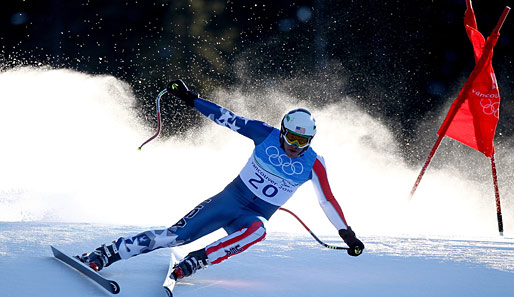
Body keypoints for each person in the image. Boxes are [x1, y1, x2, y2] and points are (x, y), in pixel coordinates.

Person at [77, 79, 364, 280]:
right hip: (227, 202)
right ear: (281, 131)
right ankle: (108, 253)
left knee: (259, 230)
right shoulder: (264, 134)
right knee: (175, 236)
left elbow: (327, 200)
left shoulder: (313, 163)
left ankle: (198, 260)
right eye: (290, 137)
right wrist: (190, 99)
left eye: (302, 141)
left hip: (251, 216)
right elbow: (226, 118)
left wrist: (346, 233)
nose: (294, 146)